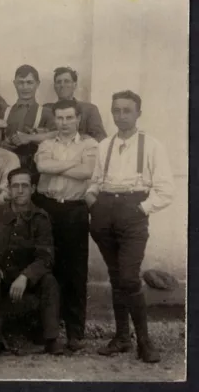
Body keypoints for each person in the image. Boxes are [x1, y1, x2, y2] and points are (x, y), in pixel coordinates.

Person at [86, 90, 174, 363]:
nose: (121, 116)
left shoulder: (152, 146)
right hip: (104, 214)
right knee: (116, 277)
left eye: (127, 110)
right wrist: (93, 202)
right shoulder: (105, 146)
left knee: (129, 277)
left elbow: (166, 190)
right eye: (116, 110)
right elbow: (95, 182)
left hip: (133, 214)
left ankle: (144, 342)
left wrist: (141, 209)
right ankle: (122, 338)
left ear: (138, 113)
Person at [34, 99, 98, 352]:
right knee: (48, 266)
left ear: (78, 118)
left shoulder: (90, 144)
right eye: (59, 118)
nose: (63, 123)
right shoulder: (47, 143)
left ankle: (74, 332)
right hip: (48, 207)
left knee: (75, 271)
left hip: (74, 210)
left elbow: (88, 172)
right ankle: (50, 331)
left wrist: (58, 169)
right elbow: (42, 166)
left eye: (69, 118)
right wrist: (74, 164)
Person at [0, 167, 64, 356]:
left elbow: (46, 256)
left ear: (33, 188)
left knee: (50, 281)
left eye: (24, 186)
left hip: (27, 278)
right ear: (9, 189)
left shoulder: (41, 218)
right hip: (1, 274)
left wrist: (25, 276)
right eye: (15, 186)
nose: (19, 191)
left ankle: (51, 339)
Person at [0, 65, 57, 178]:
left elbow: (58, 135)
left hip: (34, 168)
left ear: (37, 84)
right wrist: (2, 144)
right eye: (21, 82)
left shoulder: (46, 112)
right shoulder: (5, 111)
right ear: (14, 84)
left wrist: (29, 138)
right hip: (8, 167)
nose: (25, 87)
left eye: (29, 82)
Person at [43, 67, 107, 142]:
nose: (62, 85)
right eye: (58, 82)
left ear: (75, 85)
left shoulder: (89, 109)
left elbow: (102, 139)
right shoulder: (47, 109)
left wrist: (82, 138)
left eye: (66, 81)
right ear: (54, 86)